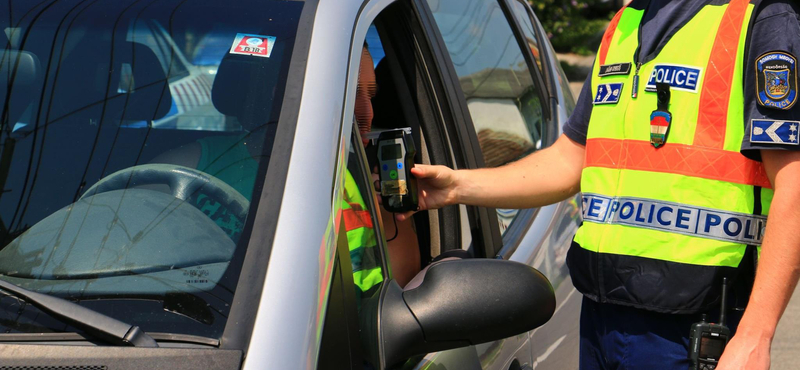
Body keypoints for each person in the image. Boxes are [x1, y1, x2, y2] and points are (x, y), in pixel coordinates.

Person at [398, 0, 800, 369]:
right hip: (602, 318)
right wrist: (453, 188)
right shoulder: (627, 22)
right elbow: (569, 161)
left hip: (692, 329)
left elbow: (795, 187)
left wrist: (756, 334)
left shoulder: (761, 17)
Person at [155, 44, 420, 290]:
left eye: (370, 95)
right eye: (348, 91)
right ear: (285, 93)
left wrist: (386, 208)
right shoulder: (191, 165)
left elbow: (396, 292)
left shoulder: (363, 179)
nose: (367, 112)